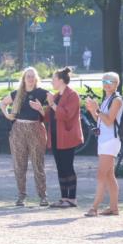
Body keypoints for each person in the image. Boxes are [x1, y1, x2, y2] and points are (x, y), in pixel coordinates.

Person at [0, 67, 49, 207]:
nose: (31, 79)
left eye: (33, 76)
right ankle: (21, 196)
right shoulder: (17, 94)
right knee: (19, 164)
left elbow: (51, 111)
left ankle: (43, 196)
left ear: (36, 78)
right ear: (24, 78)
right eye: (28, 76)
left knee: (38, 163)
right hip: (18, 130)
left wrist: (40, 109)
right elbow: (3, 103)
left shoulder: (42, 93)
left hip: (36, 129)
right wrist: (7, 114)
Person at [82, 72, 123, 217]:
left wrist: (97, 109)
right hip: (104, 140)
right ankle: (113, 208)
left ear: (116, 84)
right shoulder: (107, 99)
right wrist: (93, 110)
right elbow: (100, 120)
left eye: (110, 81)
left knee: (101, 175)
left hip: (110, 141)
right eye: (104, 81)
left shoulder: (116, 100)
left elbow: (109, 121)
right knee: (109, 176)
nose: (106, 83)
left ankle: (94, 207)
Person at [41, 67, 83, 208]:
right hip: (56, 137)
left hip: (68, 137)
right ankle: (64, 197)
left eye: (53, 79)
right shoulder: (57, 96)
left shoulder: (73, 95)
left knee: (67, 167)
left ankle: (72, 198)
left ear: (61, 80)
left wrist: (52, 104)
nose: (52, 82)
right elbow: (48, 116)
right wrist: (40, 109)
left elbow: (66, 115)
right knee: (60, 168)